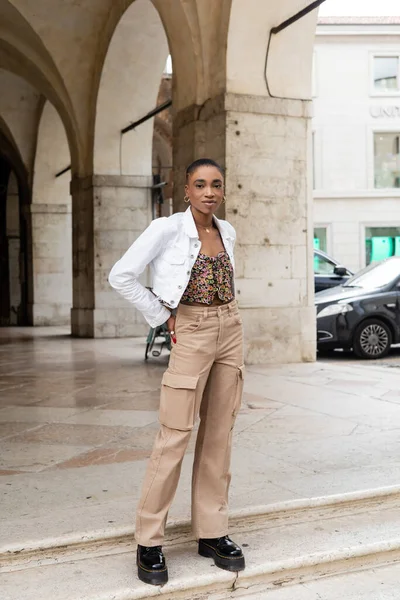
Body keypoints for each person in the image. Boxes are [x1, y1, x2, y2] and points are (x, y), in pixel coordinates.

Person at [109, 158, 245, 586]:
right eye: (200, 184)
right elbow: (121, 275)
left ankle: (212, 532)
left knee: (219, 434)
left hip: (231, 329)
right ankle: (149, 539)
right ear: (185, 190)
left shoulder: (228, 232)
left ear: (223, 190)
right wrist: (161, 314)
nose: (208, 192)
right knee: (174, 435)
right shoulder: (166, 229)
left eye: (216, 184)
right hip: (192, 328)